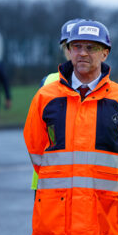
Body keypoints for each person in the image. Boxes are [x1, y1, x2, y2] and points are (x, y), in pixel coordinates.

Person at [24, 20, 118, 235]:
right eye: (77, 46)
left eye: (92, 47)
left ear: (105, 53)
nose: (83, 53)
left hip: (103, 215)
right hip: (55, 216)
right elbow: (35, 148)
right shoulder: (45, 97)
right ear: (68, 51)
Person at [31, 18, 84, 191]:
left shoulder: (100, 84)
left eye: (78, 45)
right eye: (69, 46)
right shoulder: (47, 83)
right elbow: (36, 135)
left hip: (86, 181)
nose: (73, 52)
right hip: (50, 179)